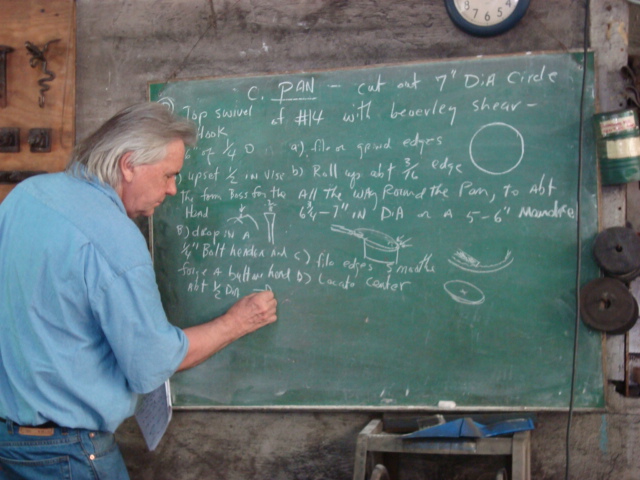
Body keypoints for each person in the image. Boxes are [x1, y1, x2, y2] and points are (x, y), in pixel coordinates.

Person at [0, 103, 277, 480]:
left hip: (9, 444)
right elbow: (151, 363)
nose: (173, 189)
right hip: (68, 454)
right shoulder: (116, 240)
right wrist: (238, 322)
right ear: (129, 164)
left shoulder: (25, 196)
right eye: (168, 175)